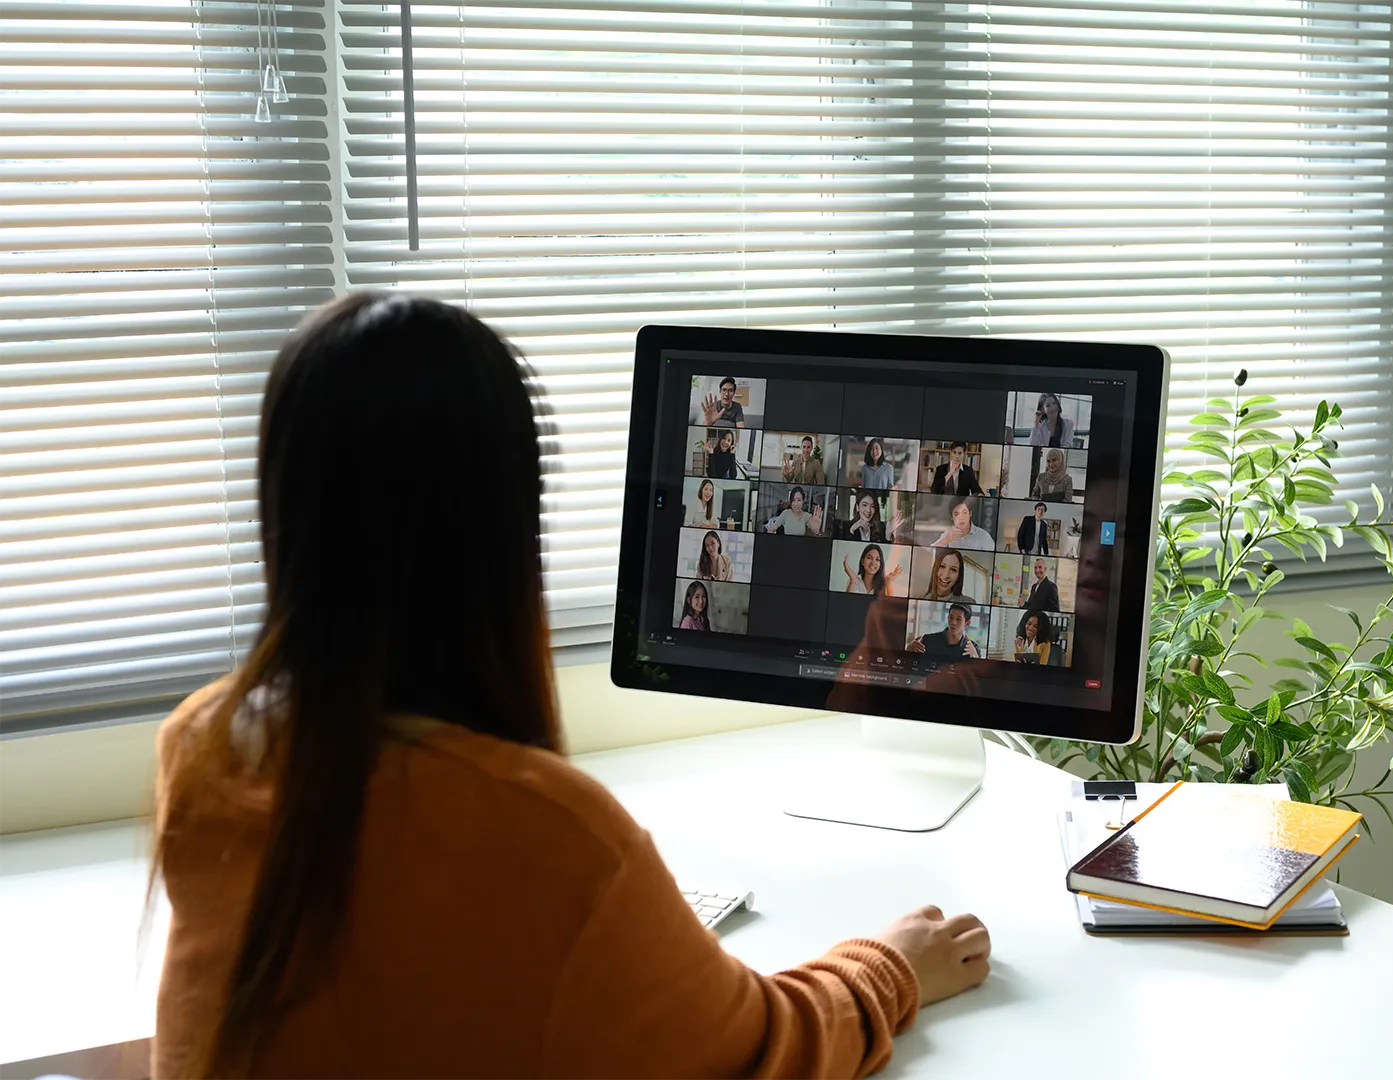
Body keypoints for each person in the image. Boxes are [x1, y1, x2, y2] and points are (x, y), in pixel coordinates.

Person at [148, 294, 990, 1080]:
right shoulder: (547, 835)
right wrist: (889, 966)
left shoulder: (204, 749)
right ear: (500, 530)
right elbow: (760, 1051)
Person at [907, 603, 981, 658]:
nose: (953, 623)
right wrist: (908, 649)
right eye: (951, 617)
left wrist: (975, 657)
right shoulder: (928, 640)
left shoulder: (973, 648)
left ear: (967, 623)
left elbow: (978, 676)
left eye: (958, 619)